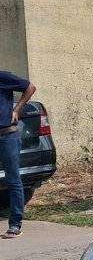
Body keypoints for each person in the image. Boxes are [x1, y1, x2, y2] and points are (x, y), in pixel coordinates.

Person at [0, 70, 36, 238]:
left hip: (7, 135)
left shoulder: (2, 76)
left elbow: (30, 87)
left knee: (13, 179)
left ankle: (15, 225)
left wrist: (17, 109)